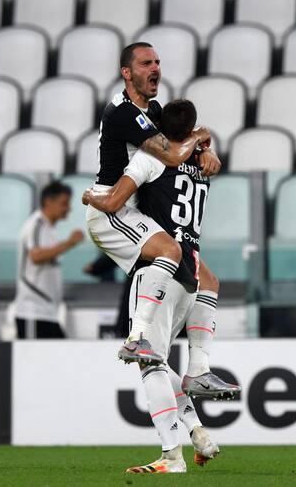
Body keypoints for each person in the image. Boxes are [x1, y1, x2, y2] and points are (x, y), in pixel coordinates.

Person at [83, 100, 241, 473]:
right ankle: (197, 427)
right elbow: (195, 152)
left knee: (149, 363)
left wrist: (92, 197)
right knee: (159, 362)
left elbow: (116, 201)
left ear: (156, 133)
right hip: (191, 273)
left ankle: (172, 456)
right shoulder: (200, 166)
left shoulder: (151, 158)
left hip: (157, 268)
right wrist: (204, 143)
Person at [87, 41, 220, 365]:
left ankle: (199, 369)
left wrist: (205, 146)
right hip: (113, 210)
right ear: (127, 73)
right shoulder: (124, 113)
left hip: (136, 211)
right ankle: (136, 338)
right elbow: (175, 152)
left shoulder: (154, 111)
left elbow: (183, 139)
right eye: (146, 63)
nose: (155, 68)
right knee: (170, 251)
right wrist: (199, 137)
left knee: (208, 279)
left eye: (157, 62)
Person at [14, 181, 84, 338]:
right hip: (32, 313)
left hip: (49, 312)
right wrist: (69, 243)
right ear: (48, 202)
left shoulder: (50, 229)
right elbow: (36, 256)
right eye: (64, 203)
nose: (68, 208)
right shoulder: (36, 224)